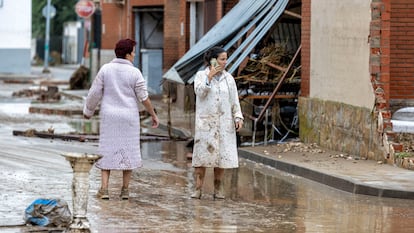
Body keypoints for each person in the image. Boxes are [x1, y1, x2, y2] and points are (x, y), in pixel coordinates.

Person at [83, 38, 159, 200]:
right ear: (127, 54)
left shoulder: (105, 69)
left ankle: (104, 189)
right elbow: (143, 97)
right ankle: (125, 190)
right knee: (129, 150)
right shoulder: (135, 72)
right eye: (133, 52)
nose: (134, 55)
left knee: (106, 150)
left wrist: (88, 111)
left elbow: (94, 93)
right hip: (129, 117)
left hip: (109, 117)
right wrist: (153, 114)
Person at [191, 46, 244, 199]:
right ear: (213, 60)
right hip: (206, 124)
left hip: (224, 123)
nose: (225, 62)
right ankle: (198, 188)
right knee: (202, 157)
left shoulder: (229, 79)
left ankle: (218, 188)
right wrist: (209, 77)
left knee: (221, 157)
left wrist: (238, 117)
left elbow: (234, 100)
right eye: (222, 59)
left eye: (226, 59)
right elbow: (199, 92)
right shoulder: (201, 75)